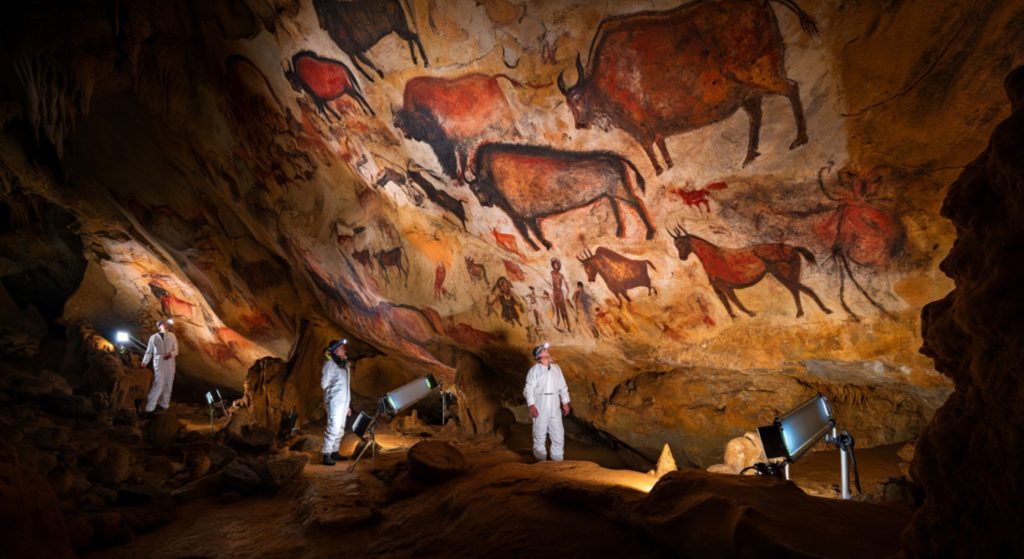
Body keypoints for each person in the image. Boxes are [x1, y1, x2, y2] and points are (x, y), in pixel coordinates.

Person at [523, 343, 571, 461]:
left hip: (554, 406)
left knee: (558, 435)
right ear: (538, 355)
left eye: (545, 349)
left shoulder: (556, 369)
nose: (546, 351)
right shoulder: (534, 371)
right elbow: (528, 389)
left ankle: (557, 461)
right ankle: (541, 463)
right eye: (543, 350)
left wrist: (565, 402)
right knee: (539, 435)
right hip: (540, 406)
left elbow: (562, 387)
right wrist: (531, 405)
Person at [321, 338, 352, 466]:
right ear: (336, 351)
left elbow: (346, 386)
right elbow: (324, 384)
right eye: (342, 348)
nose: (344, 349)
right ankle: (326, 454)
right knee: (333, 427)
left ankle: (334, 452)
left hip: (343, 401)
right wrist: (332, 397)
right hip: (334, 401)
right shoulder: (330, 364)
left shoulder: (344, 365)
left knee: (340, 428)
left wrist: (347, 405)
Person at [141, 319, 179, 414]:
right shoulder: (153, 337)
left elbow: (176, 350)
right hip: (159, 360)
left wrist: (170, 354)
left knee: (168, 383)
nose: (165, 325)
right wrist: (145, 361)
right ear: (159, 326)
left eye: (165, 324)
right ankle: (150, 407)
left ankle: (164, 405)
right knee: (159, 383)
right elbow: (149, 351)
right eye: (162, 324)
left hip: (170, 361)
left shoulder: (172, 336)